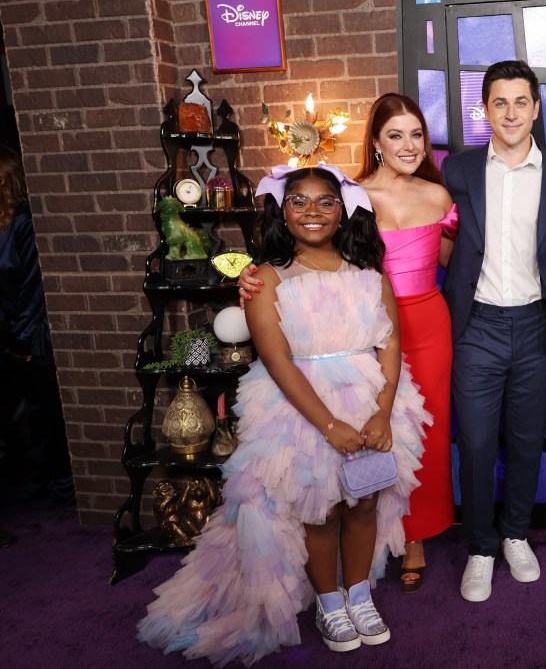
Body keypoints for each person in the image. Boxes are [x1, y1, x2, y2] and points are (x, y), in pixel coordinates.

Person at [138, 165, 428, 664]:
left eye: (326, 202)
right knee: (320, 508)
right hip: (302, 409)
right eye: (299, 201)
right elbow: (276, 360)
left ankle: (359, 594)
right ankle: (329, 603)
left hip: (370, 399)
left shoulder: (370, 276)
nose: (312, 211)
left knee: (362, 502)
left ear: (345, 212)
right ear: (282, 211)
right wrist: (329, 425)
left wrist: (380, 416)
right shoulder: (266, 278)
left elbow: (391, 344)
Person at [241, 94, 456, 594]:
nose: (409, 144)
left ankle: (416, 535)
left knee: (421, 431)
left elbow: (452, 264)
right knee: (373, 425)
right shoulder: (351, 194)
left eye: (417, 134)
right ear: (376, 143)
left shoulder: (440, 197)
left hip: (428, 322)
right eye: (396, 135)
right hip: (364, 329)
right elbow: (313, 251)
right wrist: (249, 279)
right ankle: (381, 537)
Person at [441, 59, 546, 602]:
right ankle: (479, 546)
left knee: (526, 440)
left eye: (522, 102)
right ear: (485, 111)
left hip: (537, 324)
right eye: (500, 102)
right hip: (477, 325)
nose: (512, 112)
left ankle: (516, 533)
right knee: (474, 442)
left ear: (536, 109)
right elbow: (421, 228)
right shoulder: (458, 170)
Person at [0, 145, 74, 509]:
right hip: (10, 334)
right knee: (29, 413)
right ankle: (42, 479)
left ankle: (60, 485)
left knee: (45, 410)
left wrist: (23, 339)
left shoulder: (24, 222)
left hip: (32, 335)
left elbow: (30, 285)